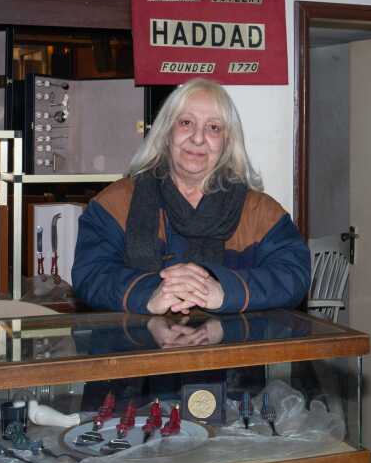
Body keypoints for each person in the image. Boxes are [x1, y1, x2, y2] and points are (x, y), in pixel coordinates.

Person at [72, 78, 311, 315]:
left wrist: (223, 290)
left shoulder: (260, 212)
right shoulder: (114, 203)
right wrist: (149, 292)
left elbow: (294, 274)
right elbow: (91, 273)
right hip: (136, 348)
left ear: (227, 142)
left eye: (214, 128)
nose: (198, 138)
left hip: (232, 351)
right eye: (186, 123)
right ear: (166, 133)